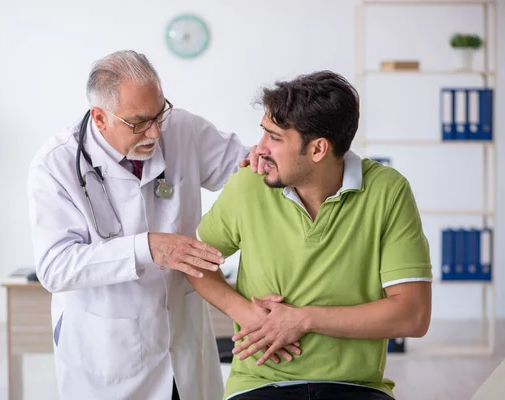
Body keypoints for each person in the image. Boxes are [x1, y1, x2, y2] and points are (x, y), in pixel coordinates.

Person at [27, 50, 269, 400]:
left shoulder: (182, 130)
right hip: (108, 349)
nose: (155, 132)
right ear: (99, 117)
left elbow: (250, 171)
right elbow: (55, 268)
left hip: (182, 334)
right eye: (138, 122)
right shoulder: (55, 166)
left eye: (159, 114)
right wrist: (147, 247)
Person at [191, 71, 433, 400]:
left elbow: (413, 315)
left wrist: (304, 319)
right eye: (263, 133)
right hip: (259, 384)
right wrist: (244, 312)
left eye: (274, 138)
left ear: (318, 149)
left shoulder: (387, 192)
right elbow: (194, 260)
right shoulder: (249, 185)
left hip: (355, 387)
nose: (258, 149)